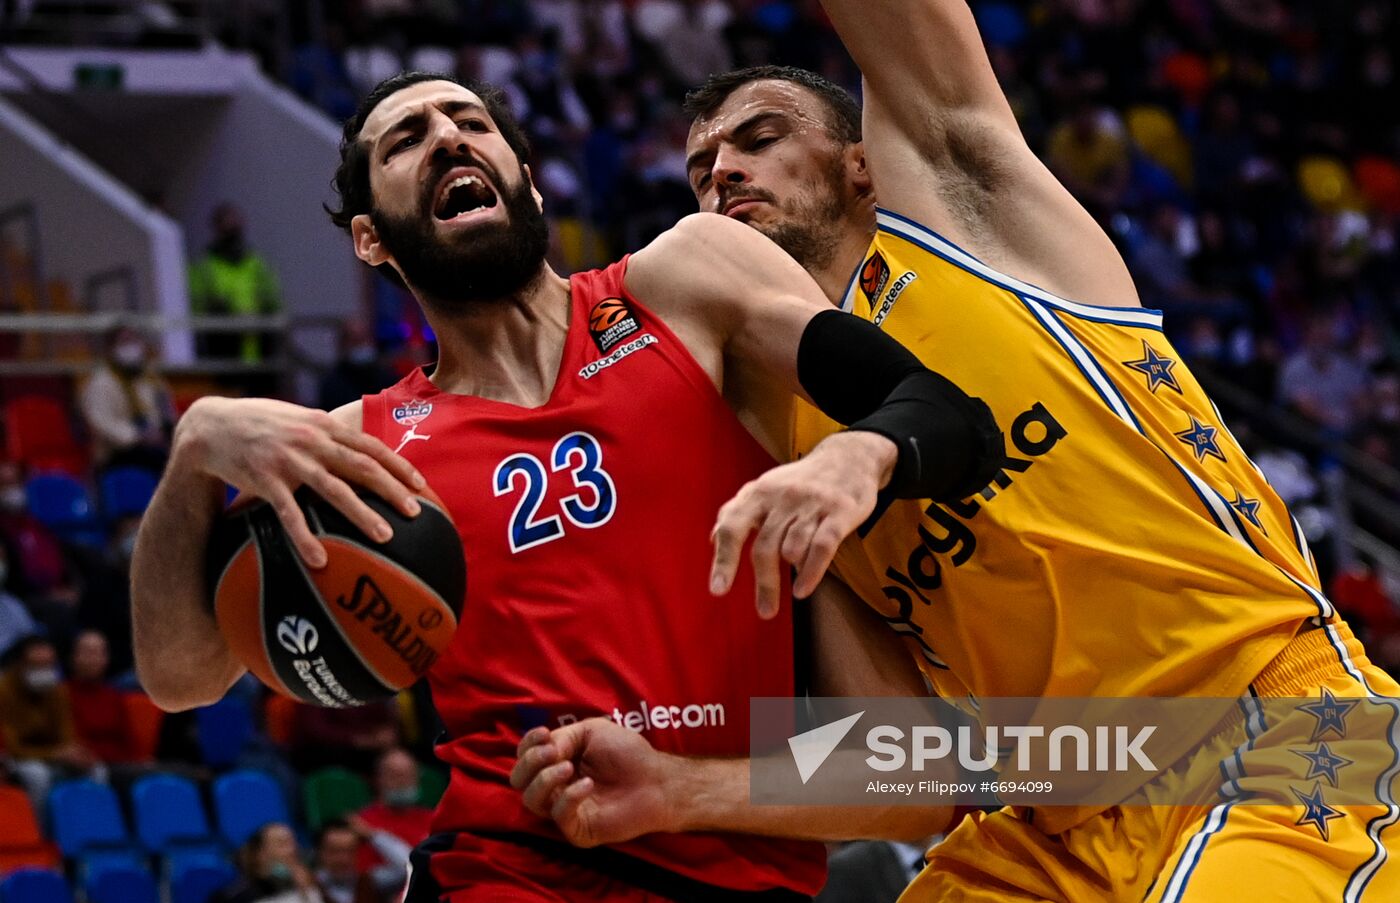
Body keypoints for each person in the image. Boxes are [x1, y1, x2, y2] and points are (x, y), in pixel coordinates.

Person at [511, 2, 1400, 900]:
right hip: (1053, 819)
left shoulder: (968, 231)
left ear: (861, 163)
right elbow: (908, 763)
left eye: (761, 138)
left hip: (1271, 732)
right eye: (700, 170)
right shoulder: (779, 445)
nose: (723, 172)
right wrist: (677, 787)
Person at [131, 71, 1000, 902]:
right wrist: (196, 447)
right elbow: (180, 677)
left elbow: (914, 776)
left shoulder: (682, 284)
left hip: (741, 871)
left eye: (471, 123)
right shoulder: (364, 446)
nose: (447, 137)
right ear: (371, 237)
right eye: (406, 140)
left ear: (531, 183)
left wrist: (679, 788)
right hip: (508, 867)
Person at [0, 636, 99, 811]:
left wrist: (73, 752)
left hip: (51, 755)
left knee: (96, 770)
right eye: (37, 665)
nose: (44, 671)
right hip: (19, 759)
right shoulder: (4, 692)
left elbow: (66, 734)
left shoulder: (57, 691)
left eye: (48, 665)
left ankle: (90, 821)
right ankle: (39, 825)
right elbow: (12, 747)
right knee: (37, 775)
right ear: (20, 665)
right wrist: (54, 754)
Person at [188, 202, 283, 365]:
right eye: (227, 229)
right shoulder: (205, 266)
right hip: (223, 347)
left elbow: (274, 301)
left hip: (260, 347)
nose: (233, 234)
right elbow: (198, 307)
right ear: (217, 229)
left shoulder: (256, 262)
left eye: (236, 228)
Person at [78, 326, 176, 473]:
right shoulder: (100, 383)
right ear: (110, 349)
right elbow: (103, 425)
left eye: (134, 341)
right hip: (117, 453)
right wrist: (139, 437)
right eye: (124, 342)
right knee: (161, 462)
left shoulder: (152, 378)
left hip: (155, 443)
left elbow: (166, 412)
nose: (131, 347)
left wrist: (162, 432)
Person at [353, 747, 432, 881]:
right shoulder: (361, 823)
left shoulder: (436, 820)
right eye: (395, 776)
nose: (402, 782)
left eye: (408, 775)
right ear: (378, 779)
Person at [65, 630, 140, 765]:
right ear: (74, 657)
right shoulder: (61, 694)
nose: (94, 659)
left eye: (100, 653)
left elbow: (129, 741)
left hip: (120, 764)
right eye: (88, 652)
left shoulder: (114, 696)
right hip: (81, 765)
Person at [212, 822, 324, 903]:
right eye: (283, 844)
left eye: (294, 842)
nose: (294, 849)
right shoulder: (235, 896)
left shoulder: (314, 883)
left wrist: (306, 892)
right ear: (260, 854)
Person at [314, 820, 378, 903]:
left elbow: (396, 868)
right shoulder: (310, 885)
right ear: (320, 852)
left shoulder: (370, 882)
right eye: (335, 851)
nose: (343, 859)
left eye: (350, 851)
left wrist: (371, 835)